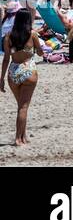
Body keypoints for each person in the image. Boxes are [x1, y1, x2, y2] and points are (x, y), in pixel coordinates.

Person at [1, 8, 40, 146]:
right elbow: (41, 53)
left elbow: (6, 58)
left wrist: (1, 80)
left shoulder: (8, 36)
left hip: (13, 72)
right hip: (28, 70)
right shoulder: (33, 34)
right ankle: (18, 139)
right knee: (23, 107)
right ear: (28, 20)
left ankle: (23, 135)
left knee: (21, 106)